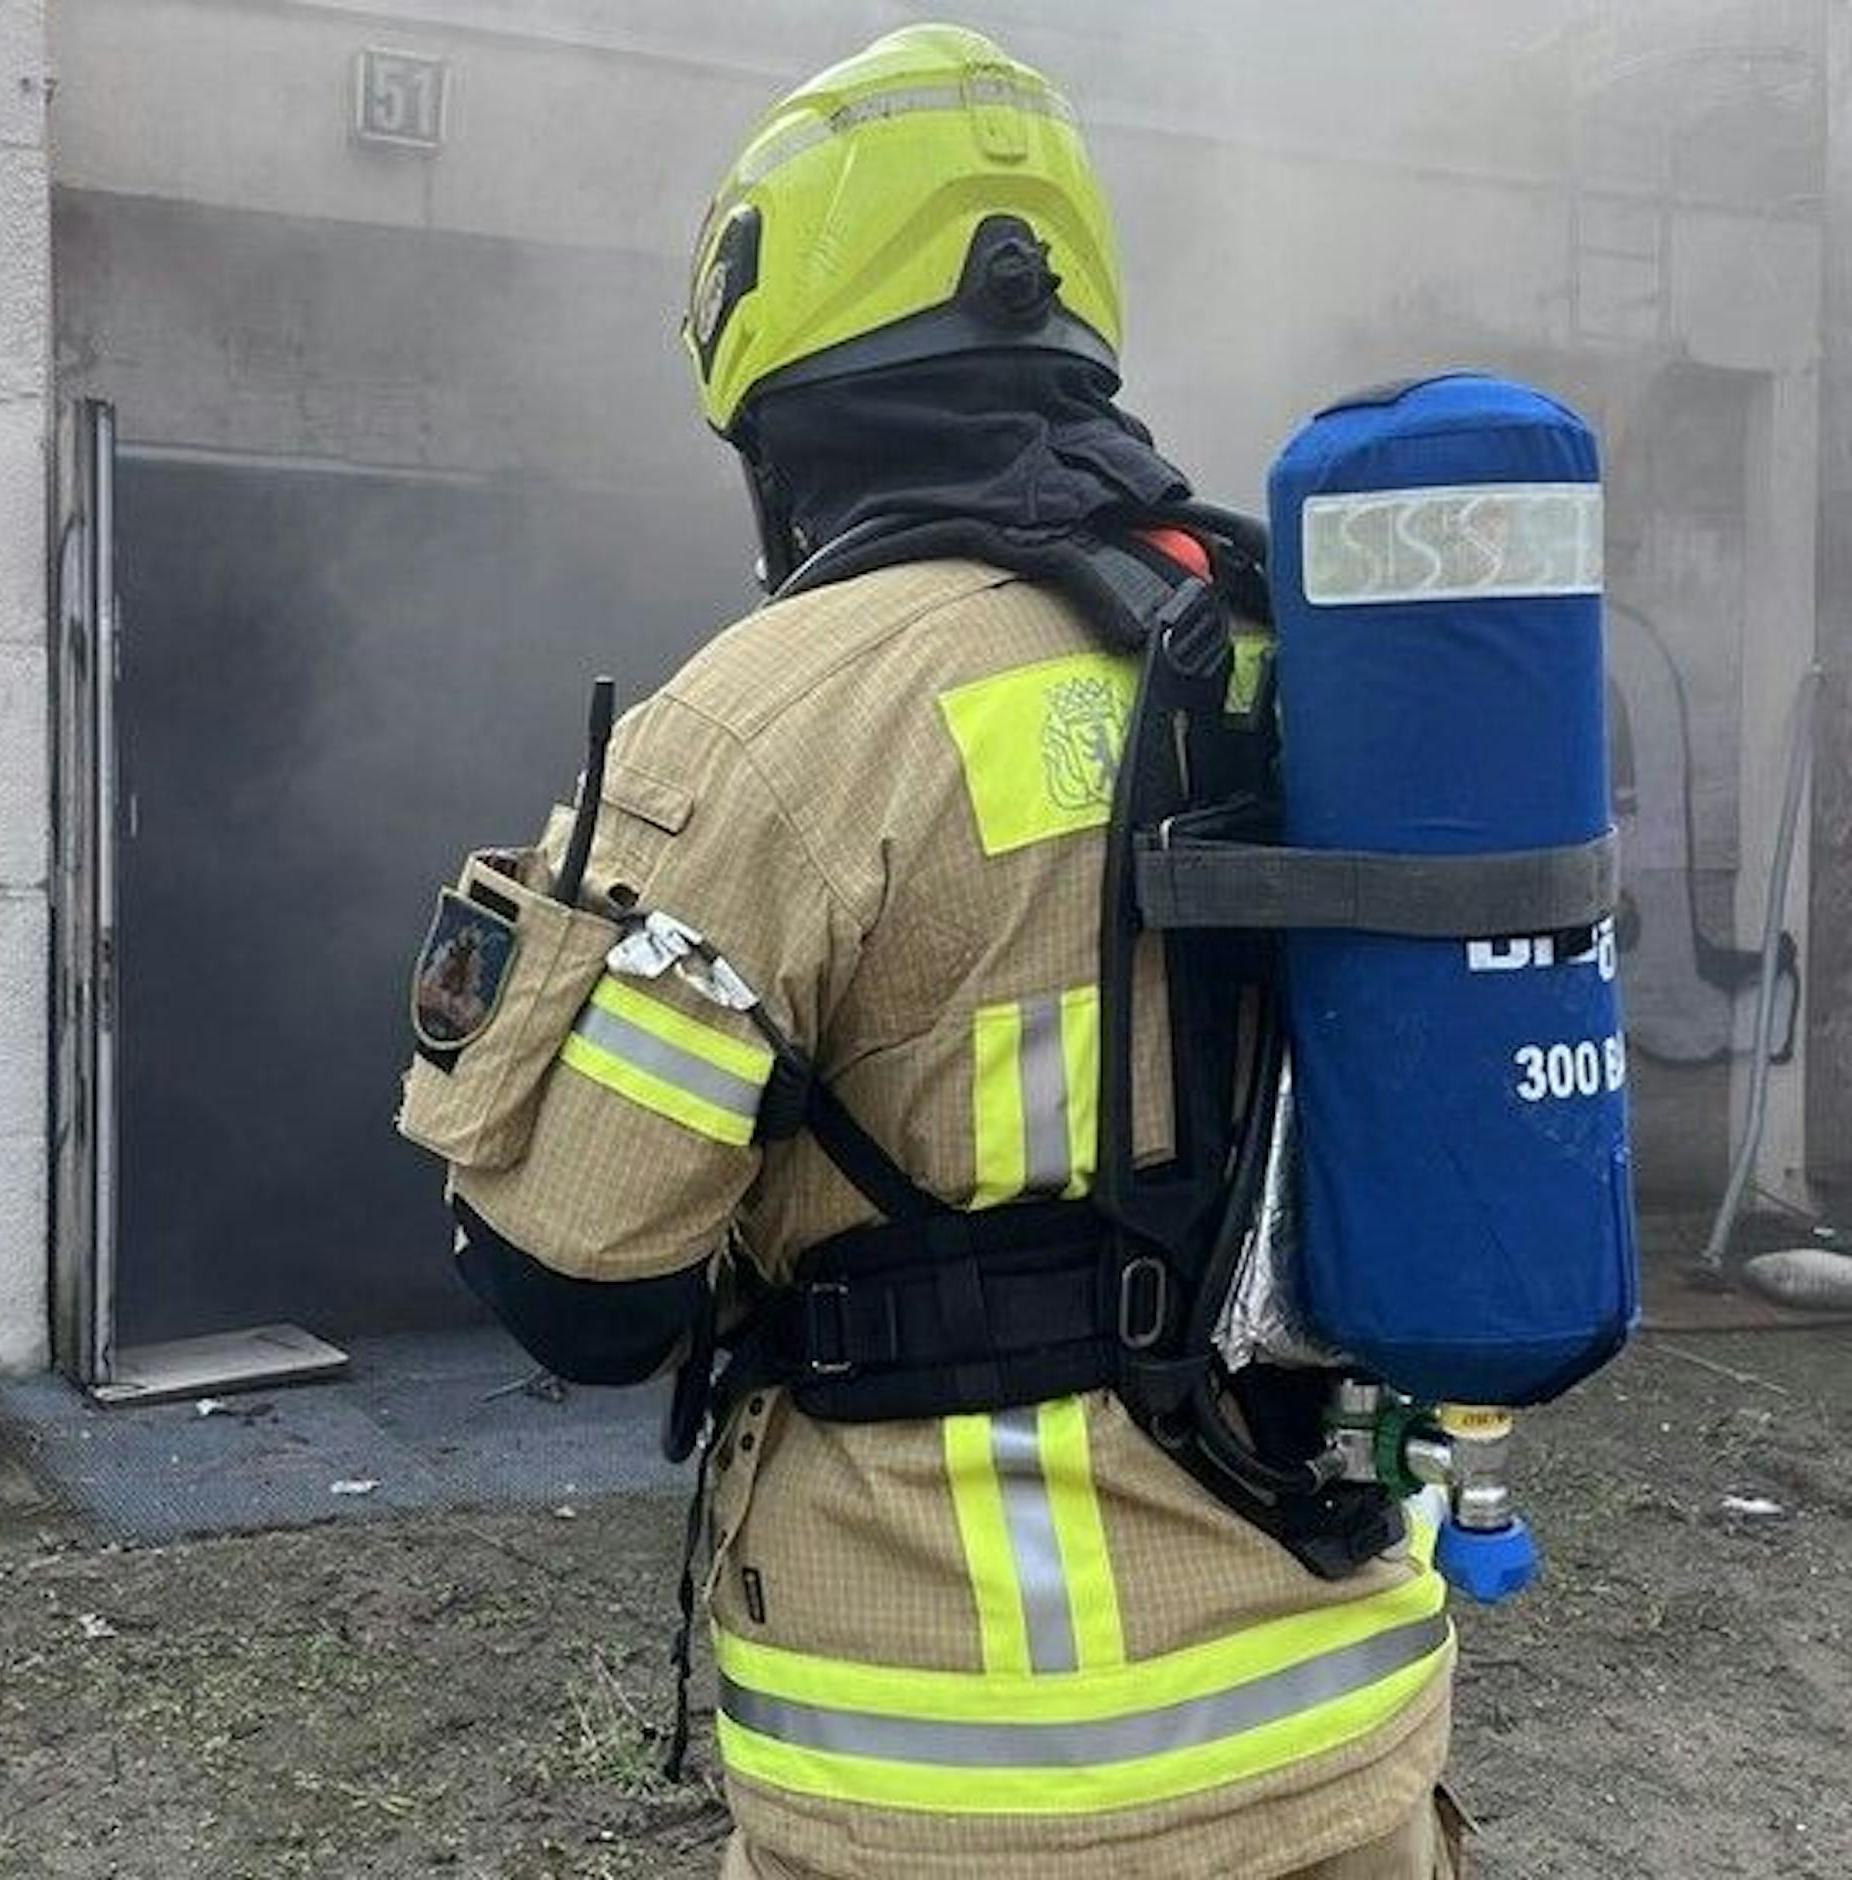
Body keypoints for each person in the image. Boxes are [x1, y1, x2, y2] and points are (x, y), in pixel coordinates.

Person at [436, 24, 1460, 1879]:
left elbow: (578, 1289)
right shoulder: (1283, 654)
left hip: (962, 1780)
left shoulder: (770, 725)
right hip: (1343, 1735)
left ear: (777, 395)